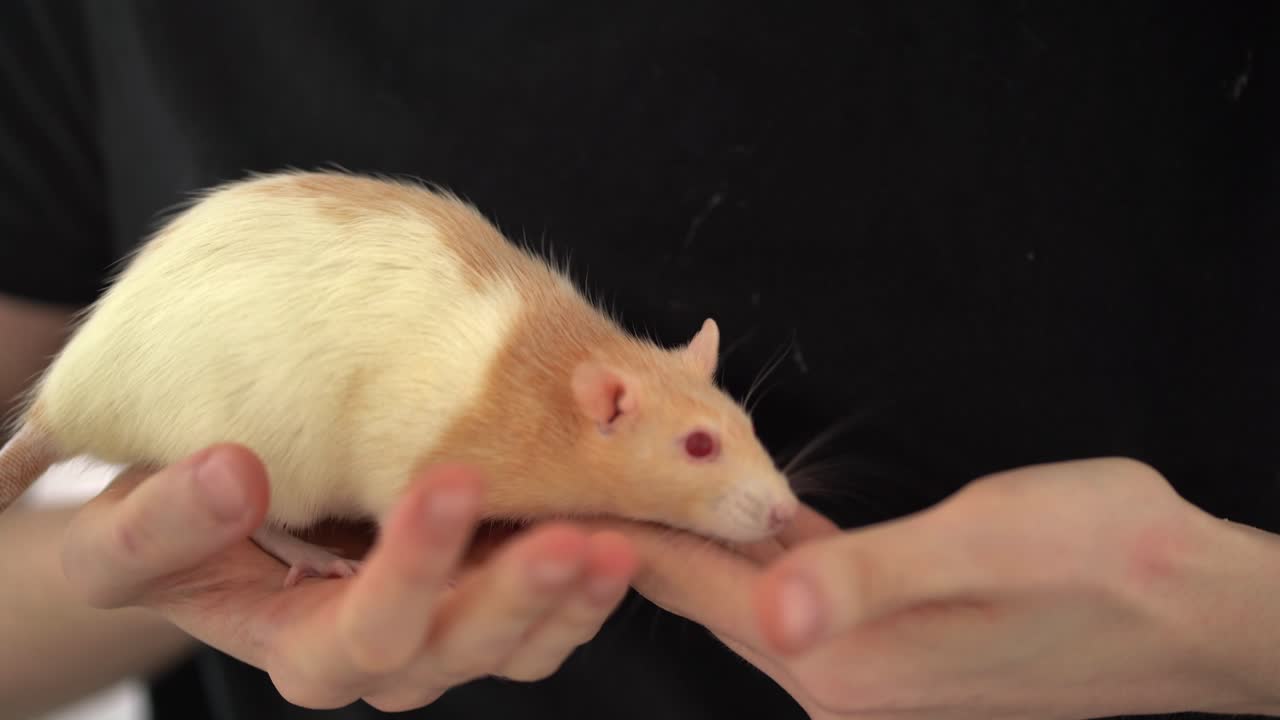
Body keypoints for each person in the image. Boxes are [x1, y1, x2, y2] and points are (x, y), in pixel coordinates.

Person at [3, 2, 1279, 719]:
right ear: (607, 402)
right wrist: (152, 572)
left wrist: (1230, 628)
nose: (764, 495)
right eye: (701, 448)